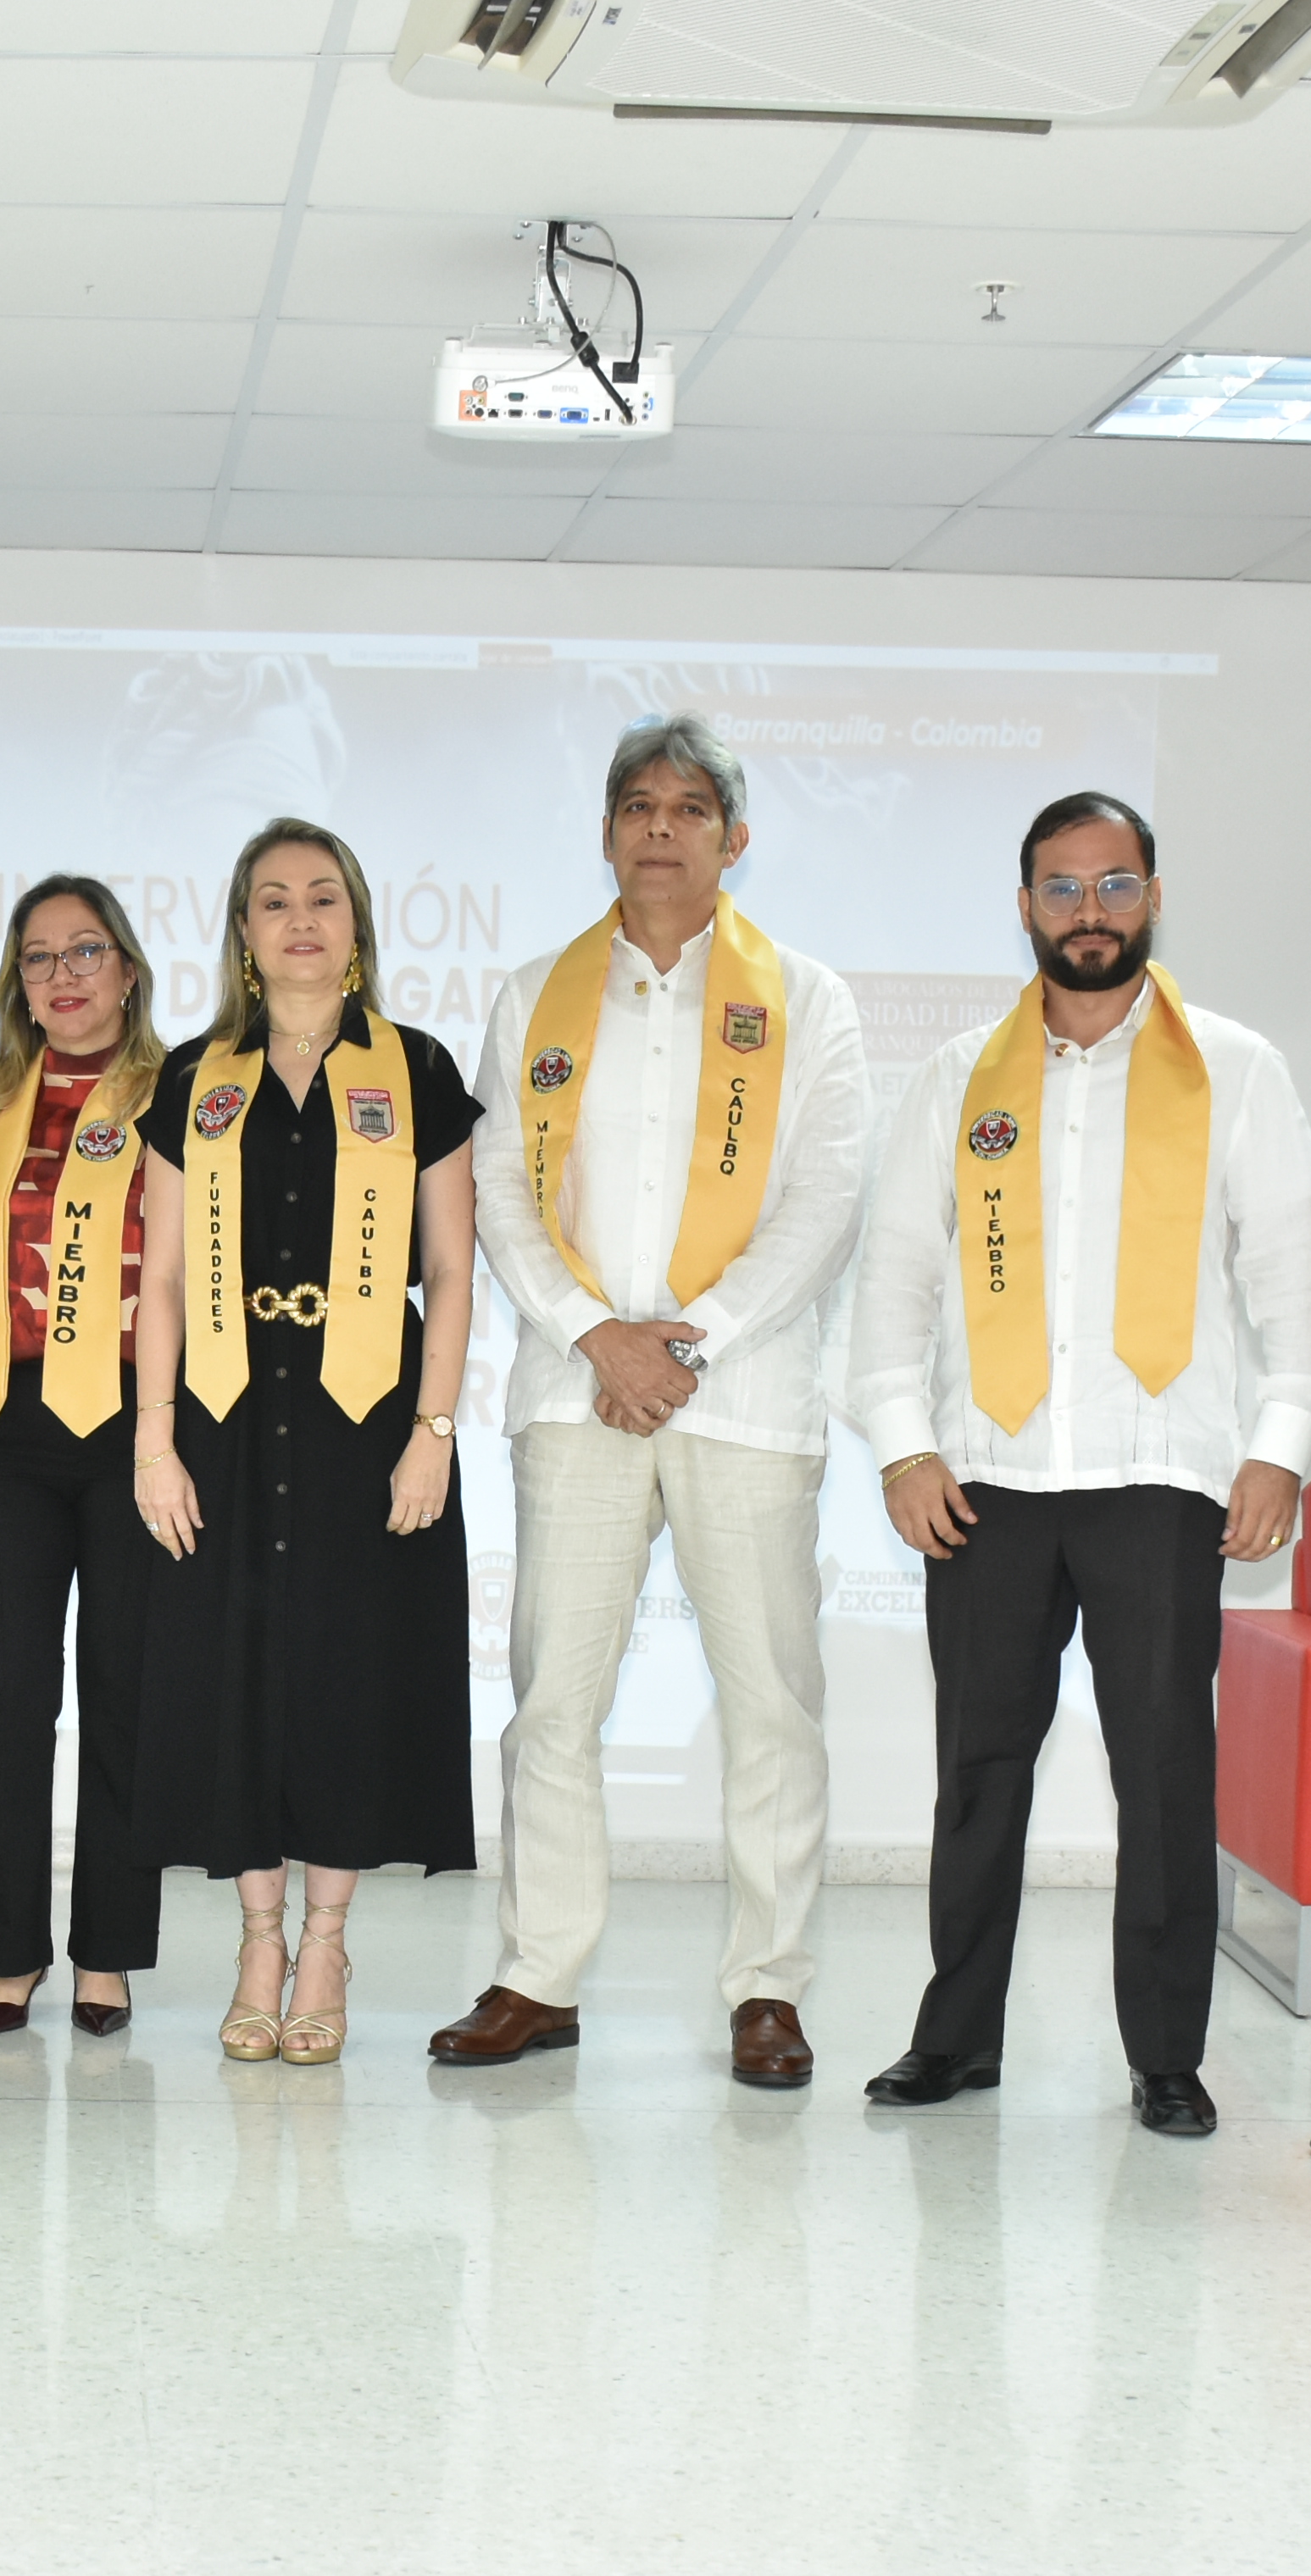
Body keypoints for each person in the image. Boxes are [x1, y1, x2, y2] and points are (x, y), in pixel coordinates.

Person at [842, 791, 1311, 2137]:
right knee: (977, 1775)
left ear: (1154, 897)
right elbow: (891, 1282)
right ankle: (956, 2040)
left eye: (1114, 886)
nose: (1089, 914)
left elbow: (1294, 1282)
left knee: (1167, 1779)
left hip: (1161, 1483)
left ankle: (1167, 2057)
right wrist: (902, 1444)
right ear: (1024, 908)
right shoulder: (953, 1077)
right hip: (986, 1487)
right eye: (1061, 890)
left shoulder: (1233, 1069)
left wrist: (1279, 1452)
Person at [445, 713, 875, 2093]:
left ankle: (767, 1988)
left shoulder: (806, 997)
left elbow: (822, 1196)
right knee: (550, 1704)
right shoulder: (533, 997)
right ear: (608, 829)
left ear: (734, 840)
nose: (661, 828)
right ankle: (539, 1974)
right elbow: (501, 1189)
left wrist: (692, 1344)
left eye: (691, 808)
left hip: (742, 1400)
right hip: (576, 1398)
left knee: (773, 1705)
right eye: (638, 803)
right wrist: (594, 1337)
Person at [125, 819, 485, 2066]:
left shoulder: (417, 1069)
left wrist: (434, 1429)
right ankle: (258, 1941)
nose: (299, 920)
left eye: (323, 898)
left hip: (366, 1416)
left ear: (358, 923)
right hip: (224, 1418)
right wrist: (151, 1441)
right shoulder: (194, 1077)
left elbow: (448, 1268)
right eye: (272, 901)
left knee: (346, 1675)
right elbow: (160, 1279)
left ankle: (327, 1940)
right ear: (240, 931)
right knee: (238, 1676)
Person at [0, 874, 162, 2035]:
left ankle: (110, 1951)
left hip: (138, 1428)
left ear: (128, 969)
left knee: (124, 1690)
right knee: (11, 1696)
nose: (65, 976)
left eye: (87, 952)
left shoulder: (185, 1101)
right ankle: (9, 1951)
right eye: (40, 958)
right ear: (17, 984)